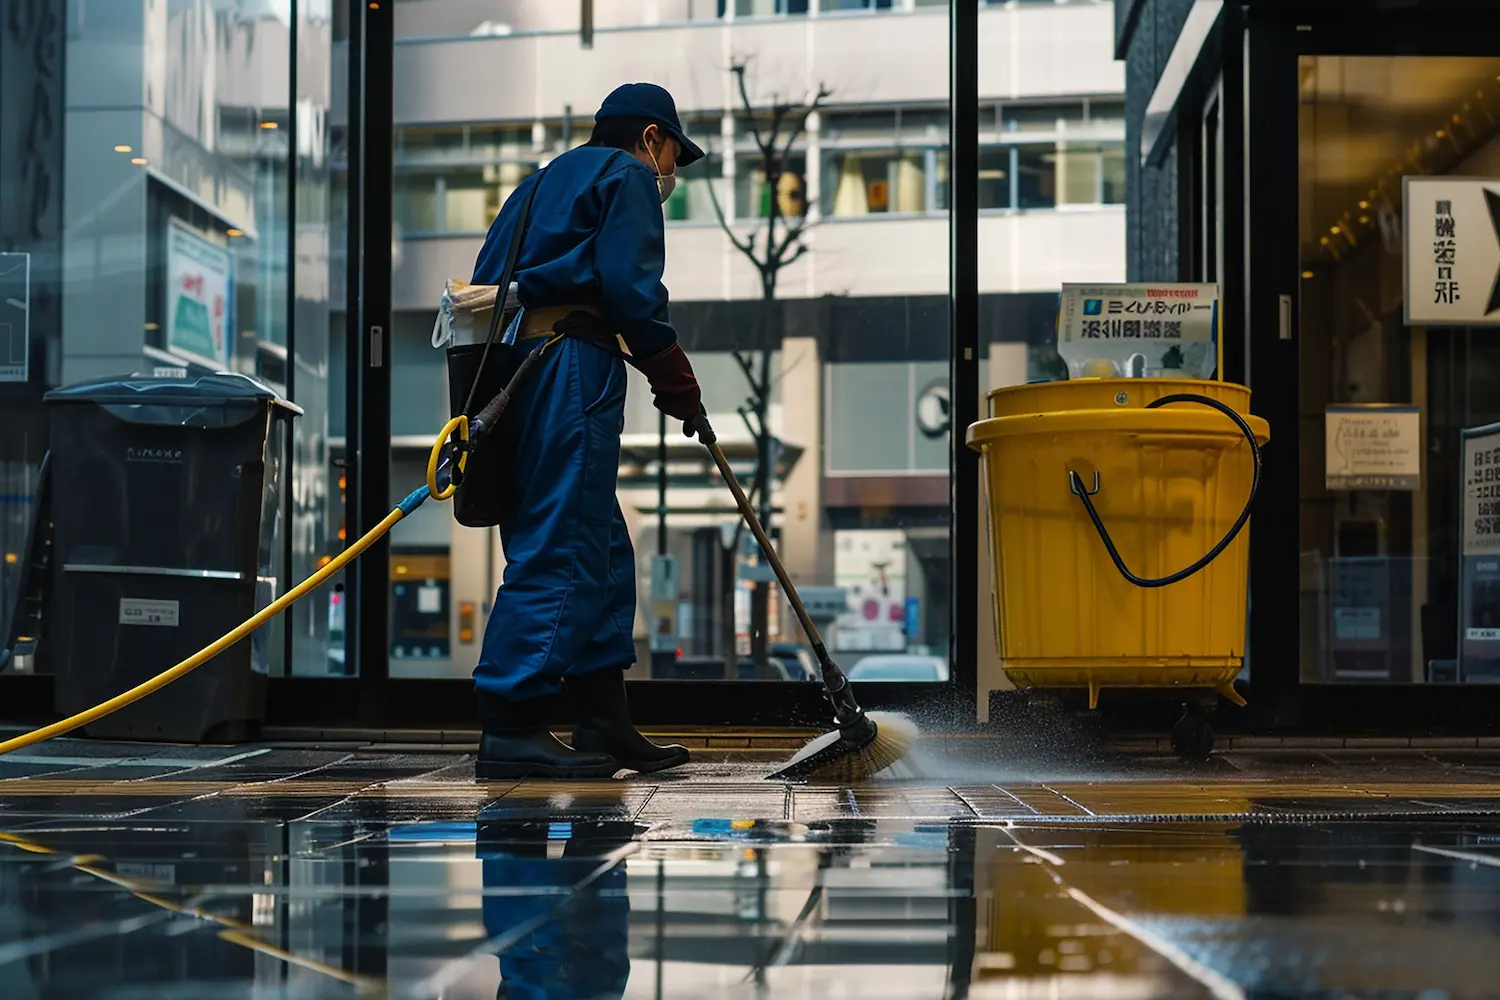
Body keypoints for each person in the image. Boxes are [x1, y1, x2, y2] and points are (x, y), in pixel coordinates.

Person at [469, 83, 704, 780]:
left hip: (512, 368)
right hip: (570, 363)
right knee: (564, 542)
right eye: (673, 157)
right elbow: (631, 291)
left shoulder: (537, 185)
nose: (668, 175)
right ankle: (511, 723)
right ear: (652, 137)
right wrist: (675, 378)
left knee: (598, 544)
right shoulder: (626, 174)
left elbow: (490, 284)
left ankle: (602, 717)